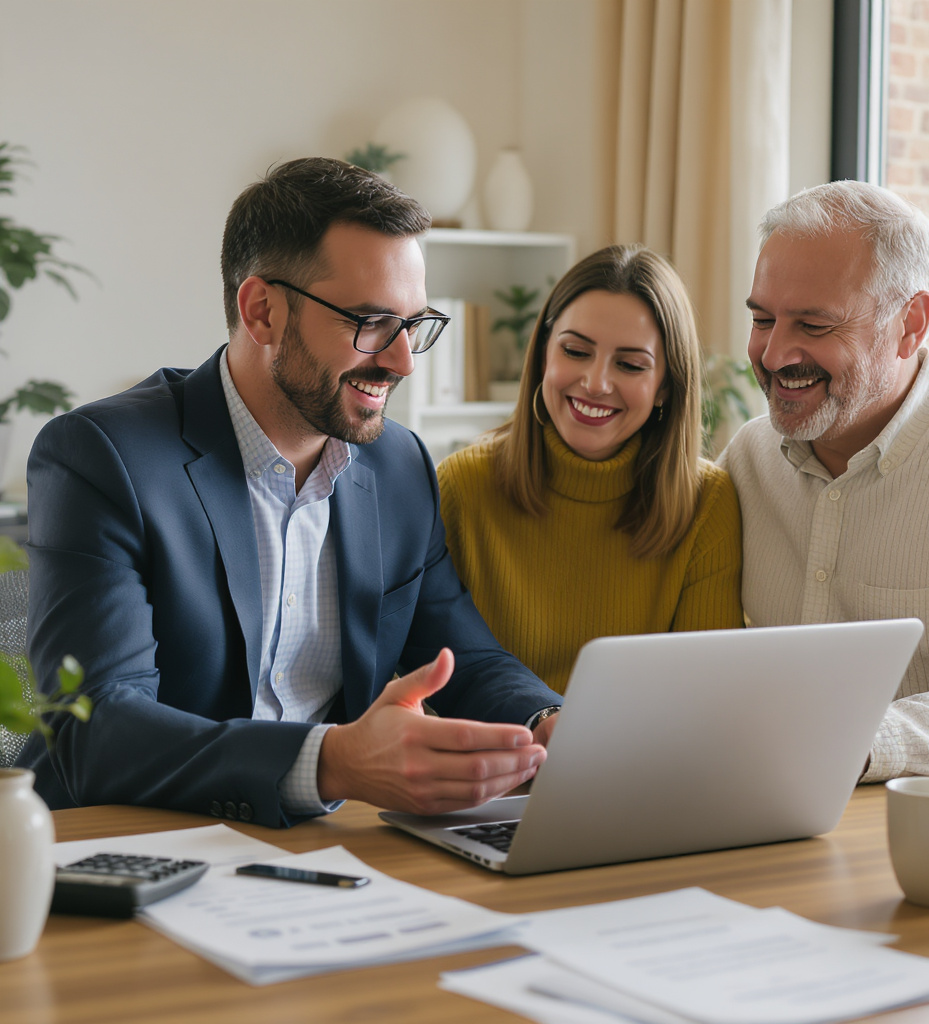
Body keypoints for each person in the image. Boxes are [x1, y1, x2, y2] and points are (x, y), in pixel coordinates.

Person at [17, 158, 564, 827]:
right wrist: (329, 762)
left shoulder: (399, 467)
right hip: (121, 852)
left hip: (318, 848)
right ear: (262, 310)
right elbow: (96, 726)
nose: (402, 361)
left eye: (413, 324)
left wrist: (547, 721)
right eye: (369, 322)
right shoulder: (104, 459)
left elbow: (462, 655)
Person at [720, 179, 929, 782]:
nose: (775, 354)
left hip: (923, 820)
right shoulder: (748, 458)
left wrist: (847, 742)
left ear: (911, 323)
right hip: (760, 804)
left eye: (814, 325)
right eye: (762, 318)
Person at [436, 244, 744, 694]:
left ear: (664, 387)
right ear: (544, 354)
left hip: (643, 764)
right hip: (487, 761)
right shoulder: (462, 486)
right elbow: (420, 680)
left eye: (630, 364)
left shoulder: (707, 503)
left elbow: (703, 700)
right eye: (576, 352)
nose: (596, 383)